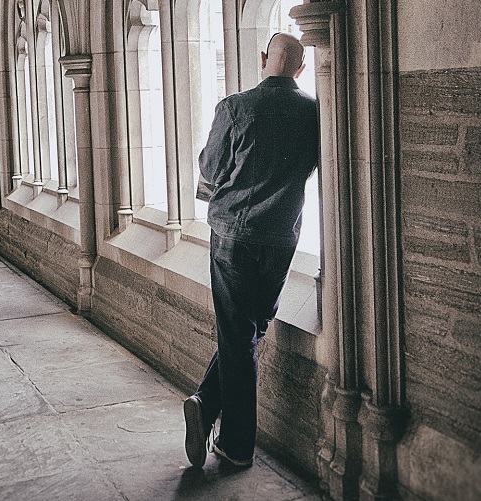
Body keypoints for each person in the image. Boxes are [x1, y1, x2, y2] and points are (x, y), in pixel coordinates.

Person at [184, 33, 319, 468]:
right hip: (281, 237)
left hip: (233, 235)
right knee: (252, 329)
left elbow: (210, 169)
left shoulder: (236, 107)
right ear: (300, 70)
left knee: (238, 335)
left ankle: (237, 444)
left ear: (263, 59)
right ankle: (205, 406)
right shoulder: (316, 112)